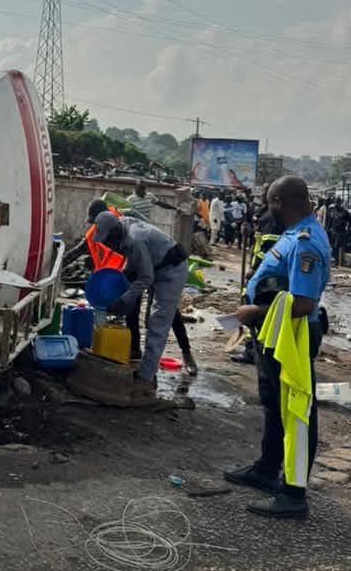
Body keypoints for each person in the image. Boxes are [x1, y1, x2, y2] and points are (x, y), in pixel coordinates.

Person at [224, 176, 330, 520]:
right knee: (273, 402)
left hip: (293, 336)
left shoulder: (306, 241)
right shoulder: (291, 234)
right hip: (274, 333)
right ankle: (267, 470)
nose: (267, 207)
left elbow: (303, 303)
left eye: (269, 201)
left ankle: (293, 495)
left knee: (296, 412)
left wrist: (254, 310)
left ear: (280, 203)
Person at [84, 201, 198, 381]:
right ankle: (148, 366)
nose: (107, 244)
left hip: (171, 270)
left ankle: (146, 376)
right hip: (157, 265)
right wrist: (121, 277)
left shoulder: (134, 238)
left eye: (107, 239)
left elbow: (146, 277)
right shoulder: (123, 224)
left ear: (114, 233)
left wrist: (124, 300)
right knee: (149, 320)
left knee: (157, 322)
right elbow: (135, 261)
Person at [231, 185, 283, 364]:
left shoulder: (270, 218)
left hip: (263, 271)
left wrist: (254, 267)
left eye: (264, 194)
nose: (261, 196)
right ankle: (253, 348)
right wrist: (250, 231)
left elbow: (267, 246)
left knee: (251, 307)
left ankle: (251, 351)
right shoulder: (267, 215)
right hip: (265, 270)